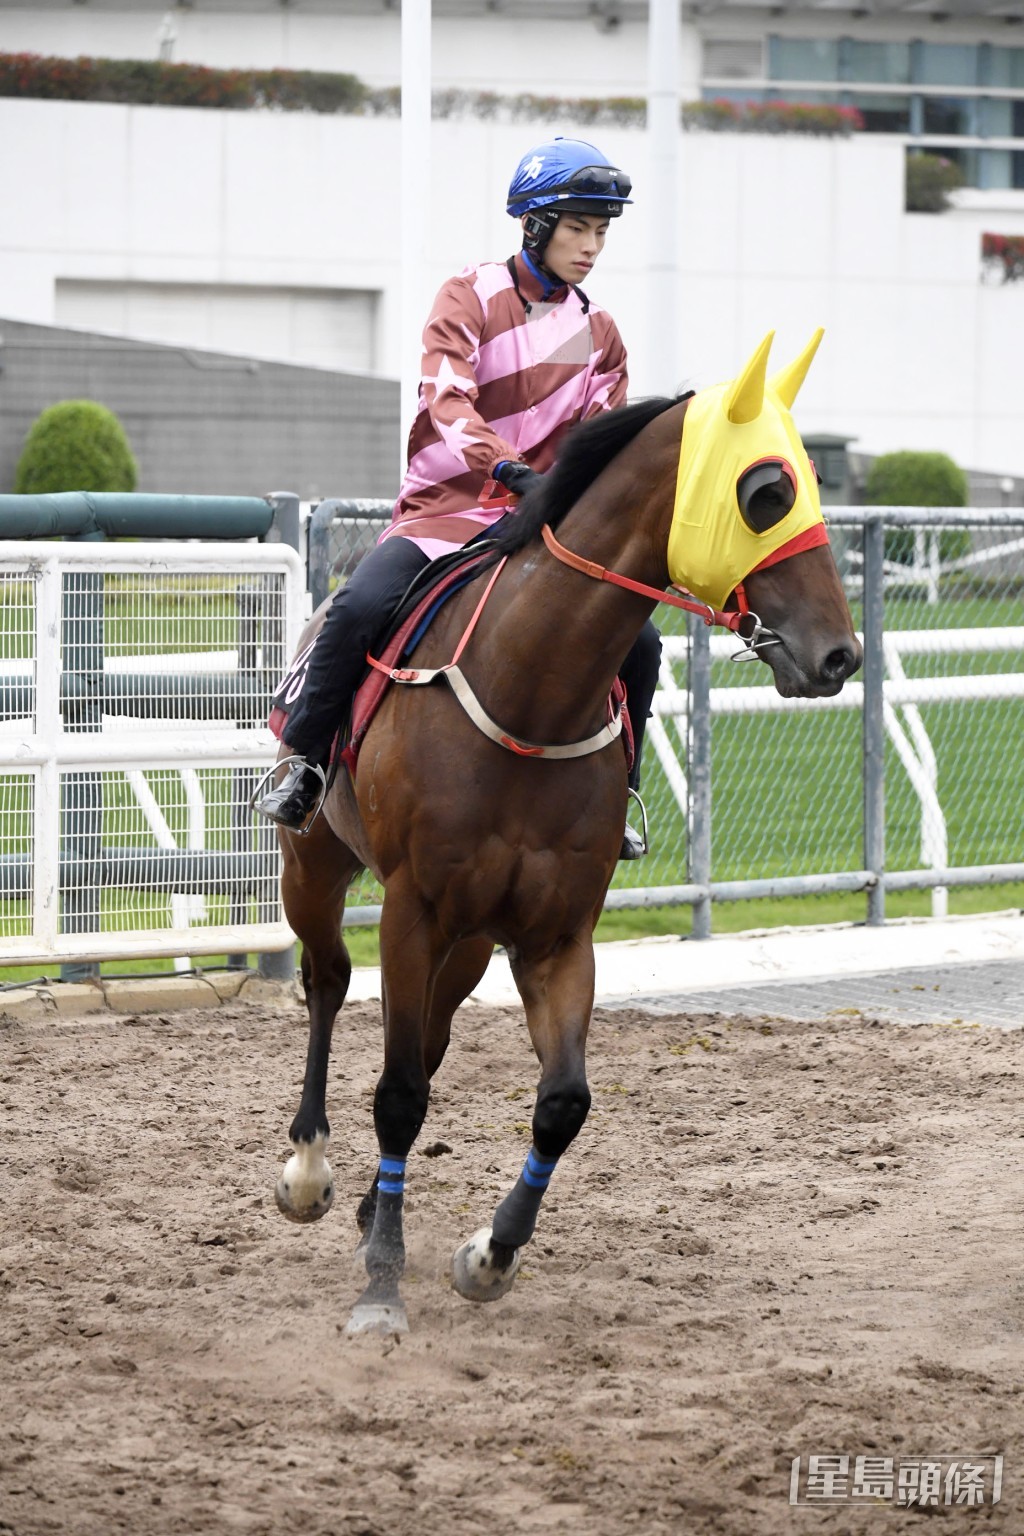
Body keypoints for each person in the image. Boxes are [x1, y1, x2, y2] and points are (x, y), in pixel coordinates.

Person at [255, 135, 661, 857]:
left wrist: (571, 500)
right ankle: (307, 765)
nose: (591, 247)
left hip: (539, 528)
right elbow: (447, 398)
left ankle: (621, 790)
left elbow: (599, 443)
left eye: (601, 232)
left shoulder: (600, 333)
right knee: (358, 607)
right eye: (578, 228)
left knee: (642, 640)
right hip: (443, 515)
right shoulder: (468, 295)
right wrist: (508, 468)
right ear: (535, 224)